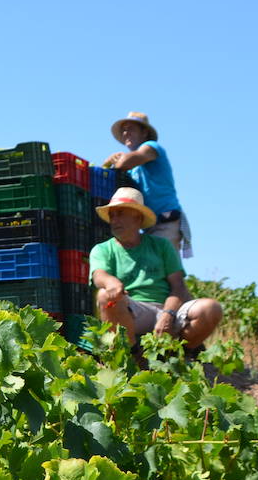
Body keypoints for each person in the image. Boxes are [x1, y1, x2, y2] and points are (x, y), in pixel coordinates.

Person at [89, 187, 221, 353]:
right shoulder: (103, 249)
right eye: (112, 215)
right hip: (133, 311)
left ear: (137, 217)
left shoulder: (161, 246)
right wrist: (110, 282)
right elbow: (99, 275)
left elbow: (178, 286)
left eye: (120, 213)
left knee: (210, 308)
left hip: (167, 308)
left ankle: (180, 354)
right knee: (104, 295)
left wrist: (168, 313)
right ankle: (131, 356)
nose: (114, 220)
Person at [102, 112, 192, 257]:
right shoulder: (133, 170)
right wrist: (108, 162)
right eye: (124, 130)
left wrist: (114, 160)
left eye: (131, 129)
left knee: (167, 267)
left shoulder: (151, 147)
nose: (126, 133)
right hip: (149, 226)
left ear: (144, 132)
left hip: (166, 220)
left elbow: (124, 163)